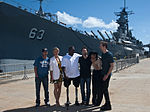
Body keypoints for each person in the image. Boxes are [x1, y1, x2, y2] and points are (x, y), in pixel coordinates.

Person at [99, 41, 114, 111]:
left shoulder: (109, 54)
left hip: (106, 75)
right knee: (104, 89)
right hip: (103, 73)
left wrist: (107, 75)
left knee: (105, 89)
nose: (99, 47)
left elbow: (112, 66)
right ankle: (107, 103)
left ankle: (108, 105)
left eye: (101, 46)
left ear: (104, 46)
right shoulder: (103, 54)